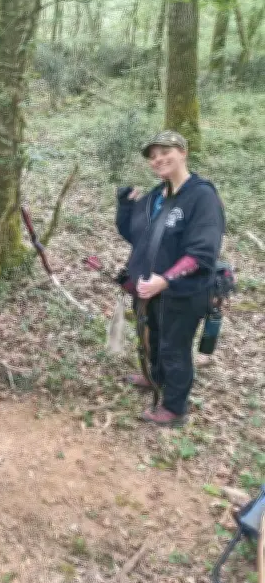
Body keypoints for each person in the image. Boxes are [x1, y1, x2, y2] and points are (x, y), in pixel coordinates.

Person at [115, 130, 226, 427]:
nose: (158, 159)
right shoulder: (155, 195)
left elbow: (203, 252)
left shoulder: (201, 196)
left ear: (183, 152)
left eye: (165, 151)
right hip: (151, 289)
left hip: (183, 291)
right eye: (152, 156)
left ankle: (175, 408)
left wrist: (165, 279)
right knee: (153, 337)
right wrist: (125, 206)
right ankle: (155, 377)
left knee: (174, 348)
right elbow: (135, 235)